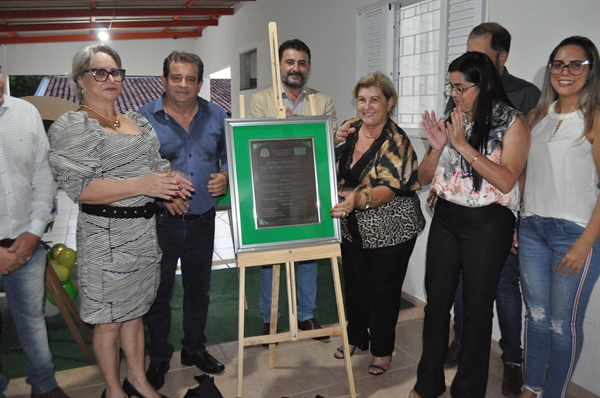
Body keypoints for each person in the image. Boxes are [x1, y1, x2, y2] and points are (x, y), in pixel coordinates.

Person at [48, 44, 190, 398]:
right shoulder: (73, 125)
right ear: (81, 79)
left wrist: (170, 186)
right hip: (106, 237)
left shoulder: (135, 119)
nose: (110, 79)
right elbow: (81, 188)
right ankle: (113, 389)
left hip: (143, 233)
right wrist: (144, 184)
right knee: (109, 321)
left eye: (115, 72)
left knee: (135, 313)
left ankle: (138, 380)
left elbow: (153, 165)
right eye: (100, 72)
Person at [410, 51, 530, 398]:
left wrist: (463, 146)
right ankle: (428, 382)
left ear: (486, 83)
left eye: (461, 87)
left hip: (488, 223)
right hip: (447, 218)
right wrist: (436, 149)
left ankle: (468, 389)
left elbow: (507, 180)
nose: (454, 94)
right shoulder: (454, 118)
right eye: (451, 87)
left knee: (477, 310)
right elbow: (422, 178)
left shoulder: (512, 122)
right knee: (436, 305)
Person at [443, 22, 541, 396]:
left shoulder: (525, 96)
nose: (472, 63)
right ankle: (463, 341)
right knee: (462, 285)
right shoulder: (459, 91)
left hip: (502, 214)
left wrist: (520, 216)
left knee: (503, 286)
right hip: (462, 214)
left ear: (502, 57)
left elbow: (526, 165)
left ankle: (512, 360)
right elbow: (450, 146)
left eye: (481, 55)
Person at [138, 51, 228, 390]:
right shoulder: (142, 118)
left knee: (199, 290)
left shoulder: (217, 115)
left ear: (200, 83)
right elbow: (133, 167)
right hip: (159, 220)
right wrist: (162, 188)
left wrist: (225, 175)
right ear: (164, 80)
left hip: (204, 217)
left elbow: (227, 155)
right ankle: (159, 354)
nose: (183, 85)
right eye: (176, 77)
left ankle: (194, 348)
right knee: (158, 292)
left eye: (191, 79)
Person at [518, 36, 600, 398]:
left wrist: (586, 244)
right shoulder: (537, 116)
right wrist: (518, 221)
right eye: (558, 64)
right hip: (532, 230)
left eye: (575, 65)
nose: (564, 72)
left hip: (575, 234)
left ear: (591, 69)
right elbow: (524, 174)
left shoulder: (595, 119)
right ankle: (531, 388)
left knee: (561, 325)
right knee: (535, 318)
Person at [331, 72, 425, 375]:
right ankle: (357, 336)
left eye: (375, 99)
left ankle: (382, 350)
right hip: (354, 226)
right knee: (355, 285)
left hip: (391, 228)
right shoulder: (351, 128)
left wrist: (358, 199)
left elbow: (388, 189)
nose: (367, 106)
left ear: (390, 102)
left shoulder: (396, 140)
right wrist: (331, 140)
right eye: (361, 99)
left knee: (383, 290)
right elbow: (328, 160)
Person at [249, 39, 337, 340]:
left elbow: (330, 141)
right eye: (289, 62)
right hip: (272, 189)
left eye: (301, 63)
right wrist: (291, 128)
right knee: (270, 255)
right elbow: (256, 143)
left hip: (308, 188)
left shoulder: (322, 101)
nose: (295, 68)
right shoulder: (262, 100)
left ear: (308, 67)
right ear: (279, 66)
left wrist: (313, 130)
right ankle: (270, 316)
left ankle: (306, 316)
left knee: (309, 254)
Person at [0, 66, 69, 398]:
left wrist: (33, 232)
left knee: (33, 320)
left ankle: (44, 384)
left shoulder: (25, 113)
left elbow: (44, 175)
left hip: (26, 241)